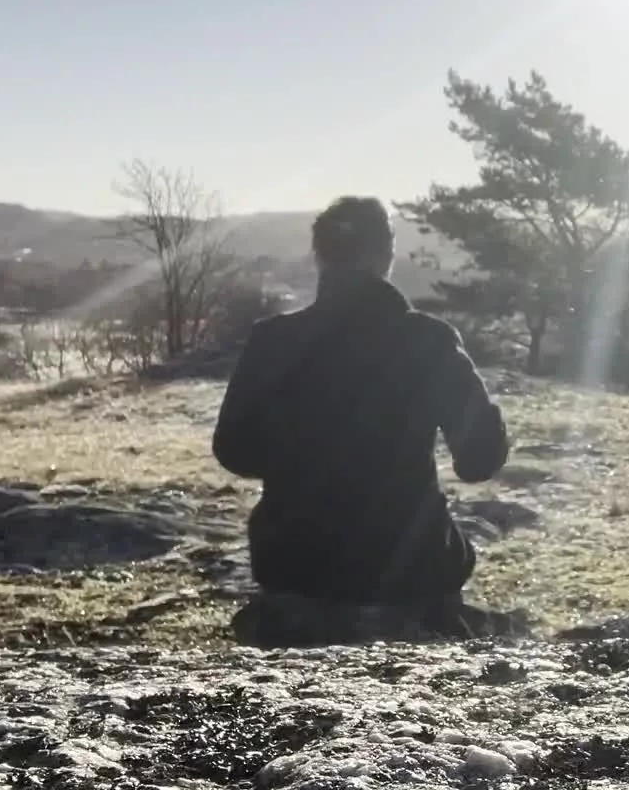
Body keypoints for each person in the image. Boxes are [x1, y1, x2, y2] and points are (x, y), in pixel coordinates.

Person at [212, 195, 513, 645]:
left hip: (295, 565)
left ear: (319, 257)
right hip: (412, 570)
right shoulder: (429, 340)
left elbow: (232, 449)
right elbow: (479, 460)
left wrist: (300, 462)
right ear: (386, 256)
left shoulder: (272, 340)